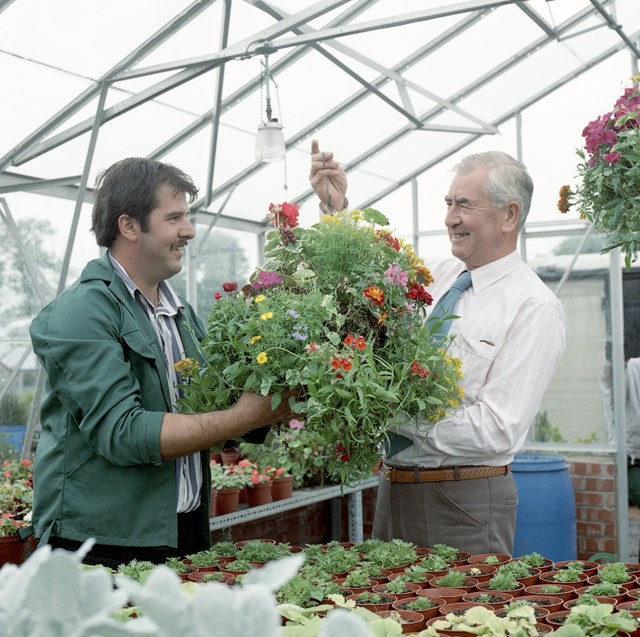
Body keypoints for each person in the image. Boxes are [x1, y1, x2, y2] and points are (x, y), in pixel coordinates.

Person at [29, 157, 293, 568]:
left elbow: (210, 413)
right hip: (102, 544)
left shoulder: (179, 312)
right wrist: (244, 416)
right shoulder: (81, 313)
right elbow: (123, 431)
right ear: (129, 226)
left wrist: (283, 396)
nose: (188, 231)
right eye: (174, 218)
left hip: (180, 532)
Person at [309, 141, 566, 555]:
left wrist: (389, 412)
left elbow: (497, 428)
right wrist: (336, 210)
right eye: (448, 203)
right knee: (388, 612)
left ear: (509, 215)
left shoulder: (533, 306)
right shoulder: (441, 276)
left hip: (463, 501)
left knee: (463, 616)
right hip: (394, 489)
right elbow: (365, 280)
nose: (450, 218)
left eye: (464, 205)